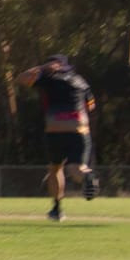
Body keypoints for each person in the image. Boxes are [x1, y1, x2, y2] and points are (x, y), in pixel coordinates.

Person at [16, 53, 98, 222]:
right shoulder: (81, 81)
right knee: (77, 168)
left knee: (55, 168)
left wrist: (41, 69)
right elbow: (91, 105)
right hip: (79, 129)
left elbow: (21, 78)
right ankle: (88, 177)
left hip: (55, 130)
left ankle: (57, 209)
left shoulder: (48, 78)